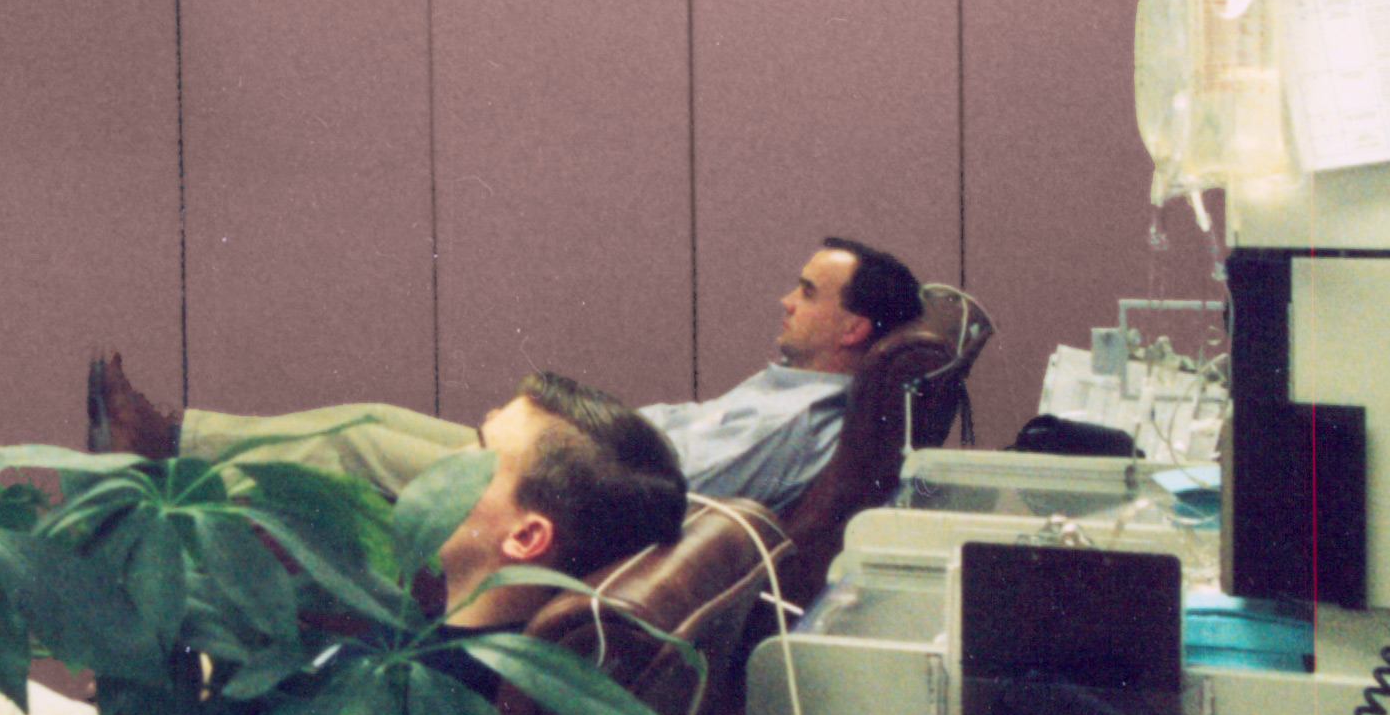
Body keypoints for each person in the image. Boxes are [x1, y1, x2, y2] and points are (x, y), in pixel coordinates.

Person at [76, 373, 686, 715]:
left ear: (525, 538)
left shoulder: (424, 701)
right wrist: (201, 675)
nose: (436, 464)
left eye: (473, 455)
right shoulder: (444, 644)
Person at [92, 237, 922, 513]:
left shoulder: (793, 422)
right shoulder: (793, 388)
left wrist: (552, 442)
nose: (785, 300)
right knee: (369, 413)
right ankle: (173, 435)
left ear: (851, 328)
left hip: (563, 490)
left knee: (355, 447)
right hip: (566, 455)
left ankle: (170, 463)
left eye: (807, 293)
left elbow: (660, 484)